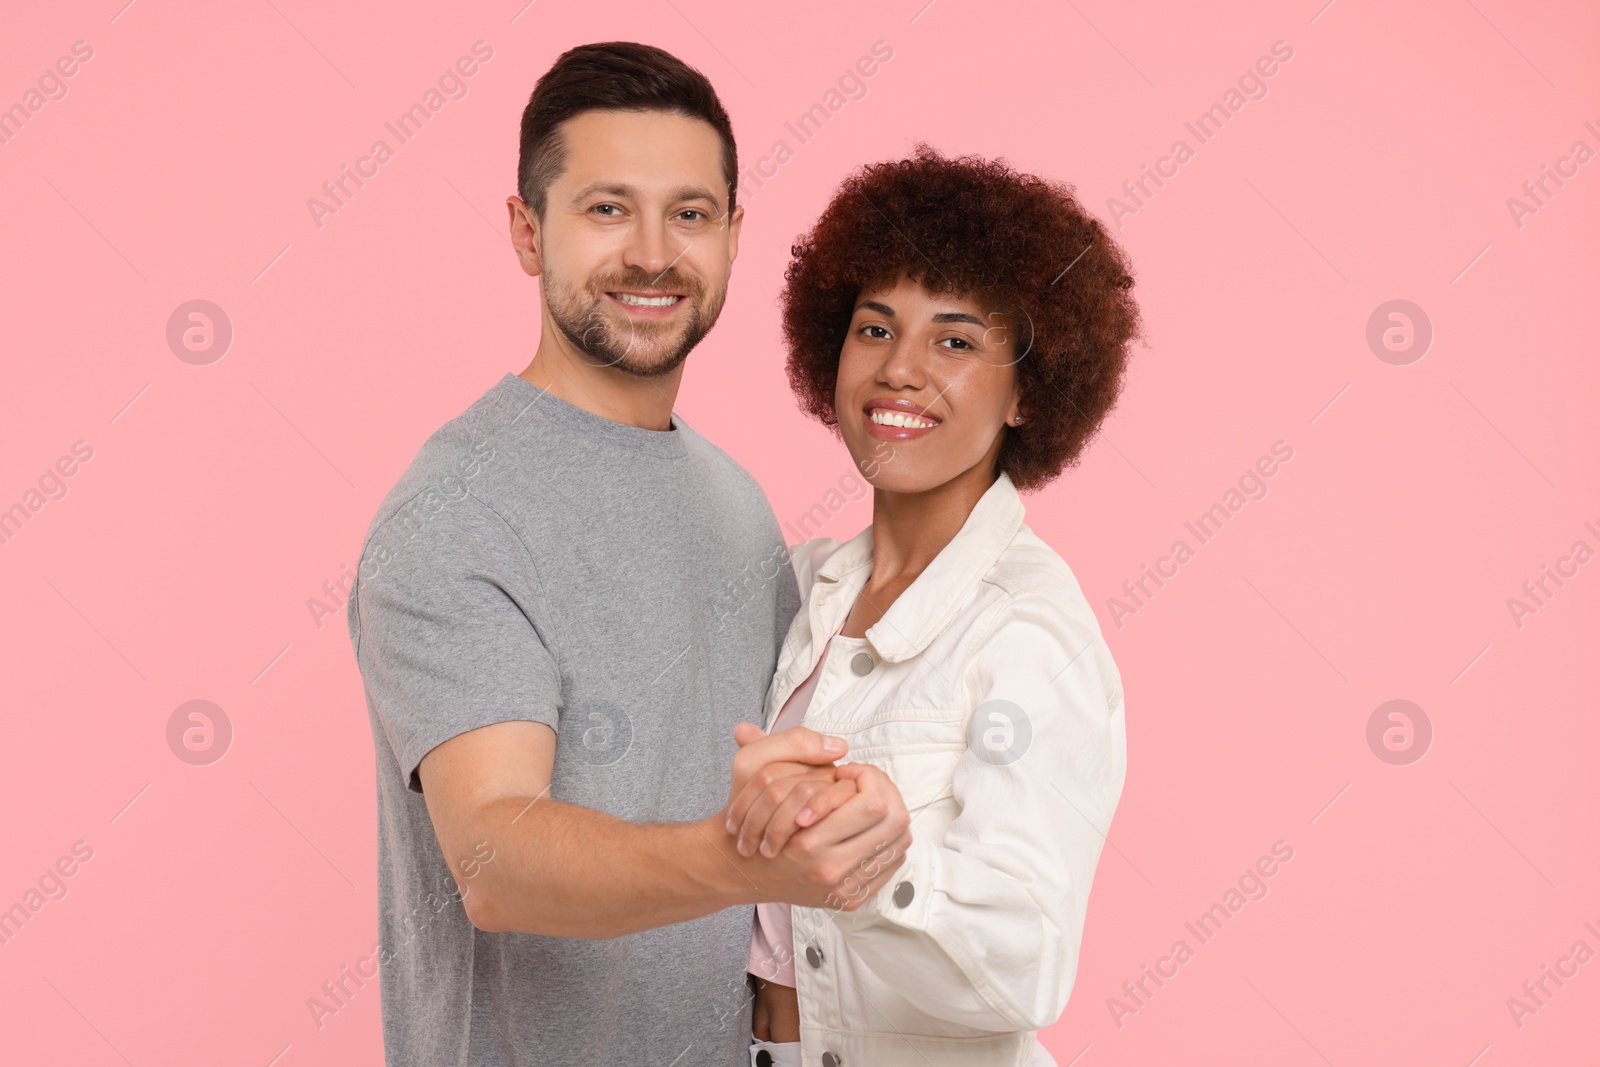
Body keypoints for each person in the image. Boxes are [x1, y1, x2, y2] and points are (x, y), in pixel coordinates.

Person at [345, 42, 909, 1066]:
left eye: (689, 213)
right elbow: (495, 855)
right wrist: (754, 861)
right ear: (528, 232)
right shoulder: (454, 517)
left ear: (735, 236)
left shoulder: (734, 502)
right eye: (607, 208)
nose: (653, 253)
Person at [728, 146, 1143, 1066]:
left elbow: (1028, 968)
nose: (900, 371)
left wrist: (875, 866)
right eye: (876, 329)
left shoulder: (1030, 634)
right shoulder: (798, 587)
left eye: (955, 341)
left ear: (1029, 392)